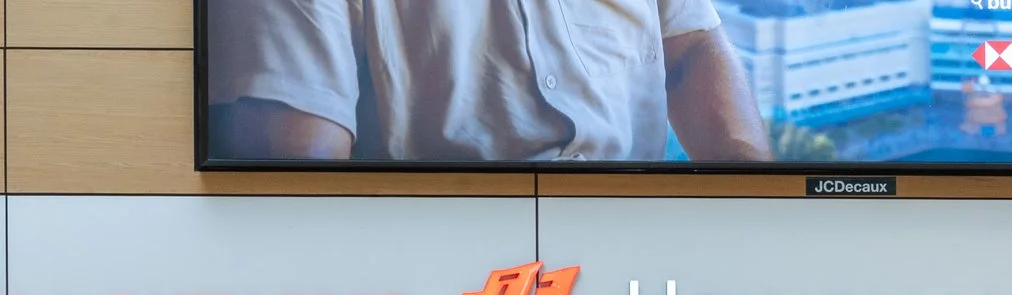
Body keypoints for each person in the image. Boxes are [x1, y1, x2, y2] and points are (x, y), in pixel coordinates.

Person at [204, 0, 772, 164]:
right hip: (447, 294)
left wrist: (767, 207)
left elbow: (692, 47)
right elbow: (298, 173)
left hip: (643, 275)